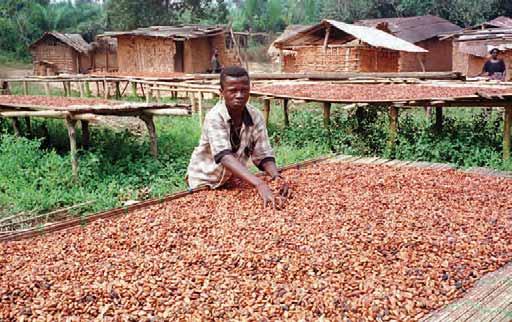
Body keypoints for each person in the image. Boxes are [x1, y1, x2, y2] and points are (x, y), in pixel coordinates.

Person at [187, 66, 289, 208]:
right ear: (221, 92)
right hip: (205, 181)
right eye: (233, 91)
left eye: (244, 90)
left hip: (231, 182)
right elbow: (224, 157)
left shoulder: (255, 116)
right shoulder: (215, 117)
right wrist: (259, 183)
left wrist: (275, 177)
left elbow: (263, 155)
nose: (239, 95)